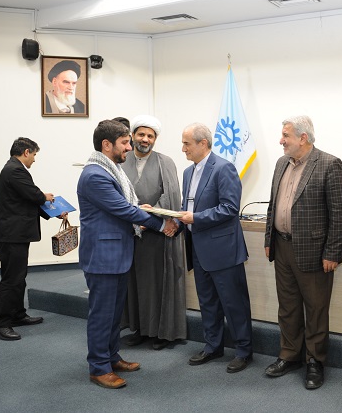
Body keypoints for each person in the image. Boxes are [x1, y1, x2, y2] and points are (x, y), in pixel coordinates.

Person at [78, 119, 167, 389]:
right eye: (125, 142)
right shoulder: (95, 175)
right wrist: (162, 224)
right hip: (103, 257)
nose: (130, 147)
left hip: (116, 255)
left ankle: (112, 357)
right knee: (102, 315)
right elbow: (125, 210)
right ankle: (99, 368)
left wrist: (147, 211)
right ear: (107, 145)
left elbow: (129, 205)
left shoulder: (111, 170)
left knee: (114, 314)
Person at [263, 115, 342, 390]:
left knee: (315, 309)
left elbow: (339, 213)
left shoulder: (329, 164)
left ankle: (315, 361)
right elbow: (273, 204)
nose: (281, 140)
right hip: (282, 246)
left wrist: (332, 252)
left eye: (285, 135)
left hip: (314, 251)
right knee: (287, 306)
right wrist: (269, 238)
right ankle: (289, 355)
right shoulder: (281, 163)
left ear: (303, 137)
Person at [176, 123, 253, 373]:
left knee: (234, 303)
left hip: (223, 250)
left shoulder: (223, 168)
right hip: (198, 248)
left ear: (203, 143)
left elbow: (230, 208)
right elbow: (188, 207)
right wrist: (174, 218)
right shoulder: (187, 172)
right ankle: (213, 346)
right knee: (207, 301)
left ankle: (243, 351)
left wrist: (195, 218)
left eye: (187, 143)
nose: (183, 148)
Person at [119, 115, 186, 350]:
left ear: (155, 139)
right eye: (141, 134)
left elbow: (171, 196)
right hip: (129, 233)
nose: (145, 139)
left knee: (158, 284)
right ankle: (140, 329)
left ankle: (161, 333)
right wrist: (134, 219)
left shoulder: (164, 162)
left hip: (157, 233)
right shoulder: (122, 160)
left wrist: (149, 218)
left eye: (150, 136)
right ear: (132, 136)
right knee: (135, 283)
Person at [0, 137, 58, 341]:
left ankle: (17, 315)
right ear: (26, 152)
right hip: (11, 235)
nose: (34, 159)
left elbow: (28, 200)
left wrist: (55, 212)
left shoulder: (13, 169)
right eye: (34, 155)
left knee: (19, 277)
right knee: (12, 279)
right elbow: (35, 196)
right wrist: (46, 196)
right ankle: (1, 323)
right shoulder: (15, 170)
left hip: (14, 234)